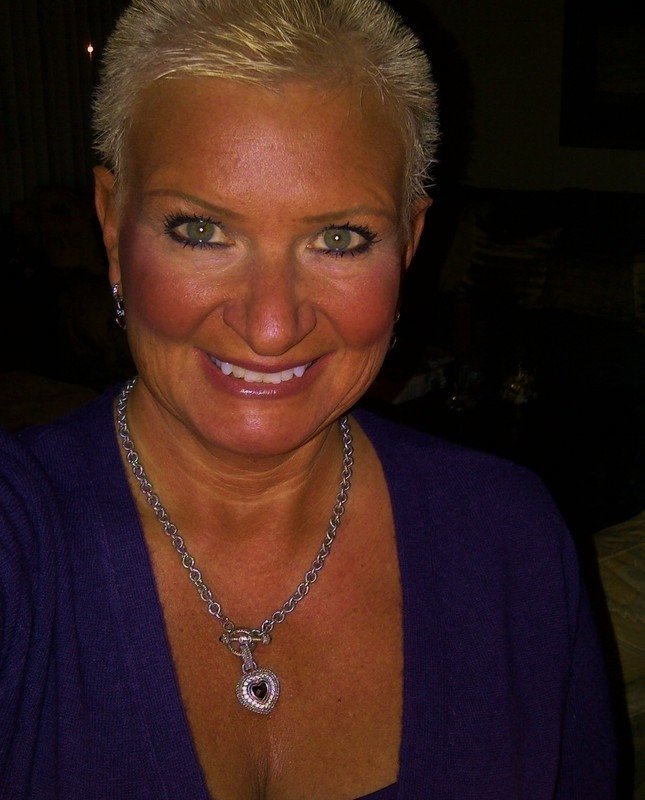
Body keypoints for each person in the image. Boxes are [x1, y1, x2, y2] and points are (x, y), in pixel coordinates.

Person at [0, 0, 616, 797]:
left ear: (410, 243)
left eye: (339, 239)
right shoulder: (20, 545)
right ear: (113, 228)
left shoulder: (510, 541)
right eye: (201, 230)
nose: (270, 326)